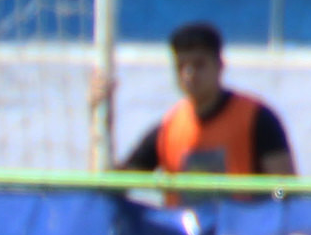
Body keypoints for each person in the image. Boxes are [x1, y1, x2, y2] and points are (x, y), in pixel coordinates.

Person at [112, 22, 295, 178]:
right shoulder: (167, 129)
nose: (189, 75)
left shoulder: (258, 119)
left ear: (220, 66)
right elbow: (116, 185)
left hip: (243, 219)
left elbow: (283, 190)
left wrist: (268, 213)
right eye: (181, 66)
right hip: (181, 219)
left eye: (199, 65)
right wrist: (100, 116)